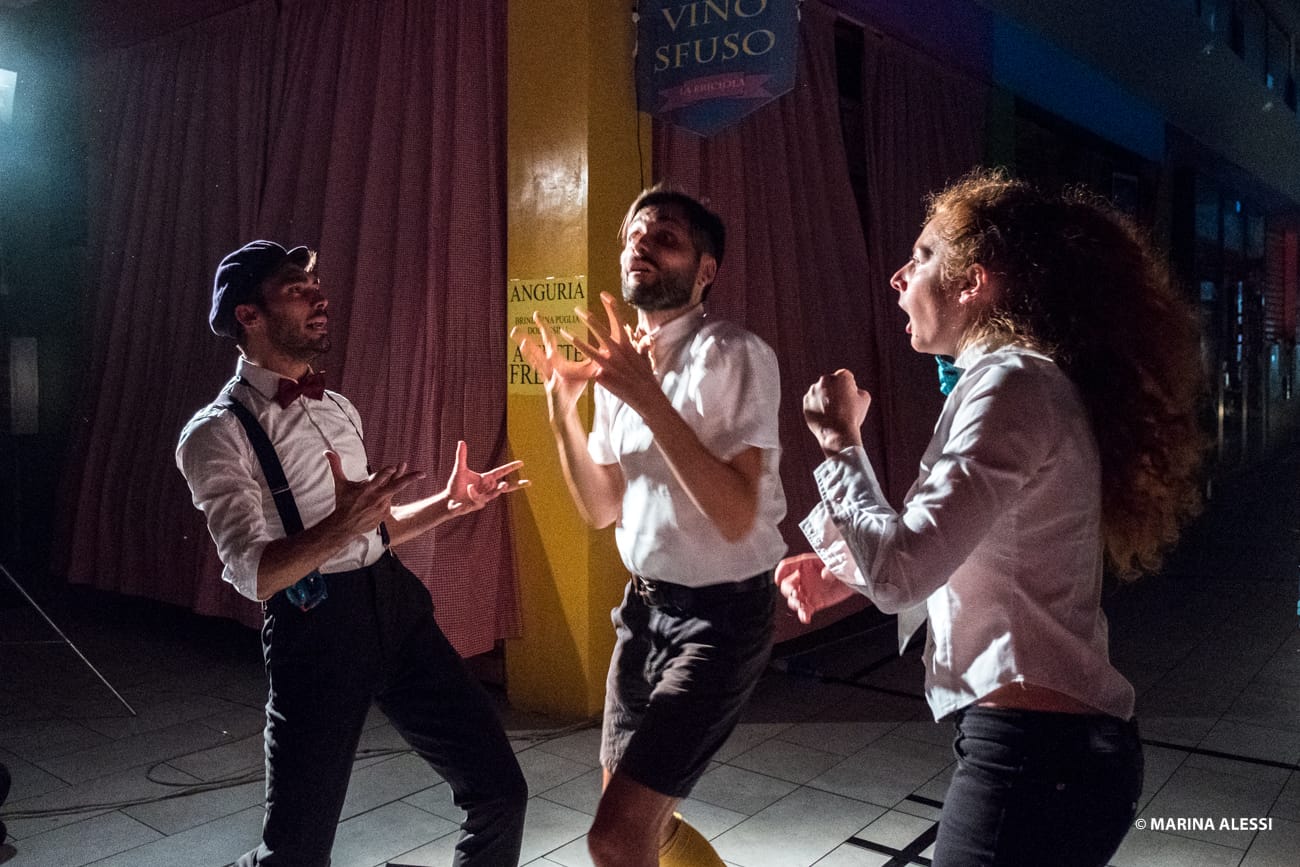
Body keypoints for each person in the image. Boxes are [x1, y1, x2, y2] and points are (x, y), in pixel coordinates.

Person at [777, 170, 1203, 866]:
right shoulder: (1013, 382)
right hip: (1043, 749)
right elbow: (954, 556)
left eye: (920, 257)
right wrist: (843, 574)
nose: (897, 277)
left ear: (972, 283)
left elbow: (905, 568)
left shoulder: (1012, 383)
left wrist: (840, 442)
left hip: (1037, 755)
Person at [176, 240, 529, 867]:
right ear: (248, 315)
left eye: (317, 288)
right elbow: (255, 574)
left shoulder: (337, 407)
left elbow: (376, 531)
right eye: (297, 290)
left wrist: (451, 504)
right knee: (296, 853)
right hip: (316, 629)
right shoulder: (216, 433)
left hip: (395, 607)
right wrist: (342, 527)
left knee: (501, 790)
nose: (320, 299)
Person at [511, 187, 786, 867]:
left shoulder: (733, 353)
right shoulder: (623, 366)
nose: (642, 245)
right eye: (635, 235)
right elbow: (601, 506)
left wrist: (646, 394)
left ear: (705, 270)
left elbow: (736, 515)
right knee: (645, 830)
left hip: (721, 620)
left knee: (615, 836)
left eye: (665, 237)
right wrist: (561, 406)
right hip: (642, 611)